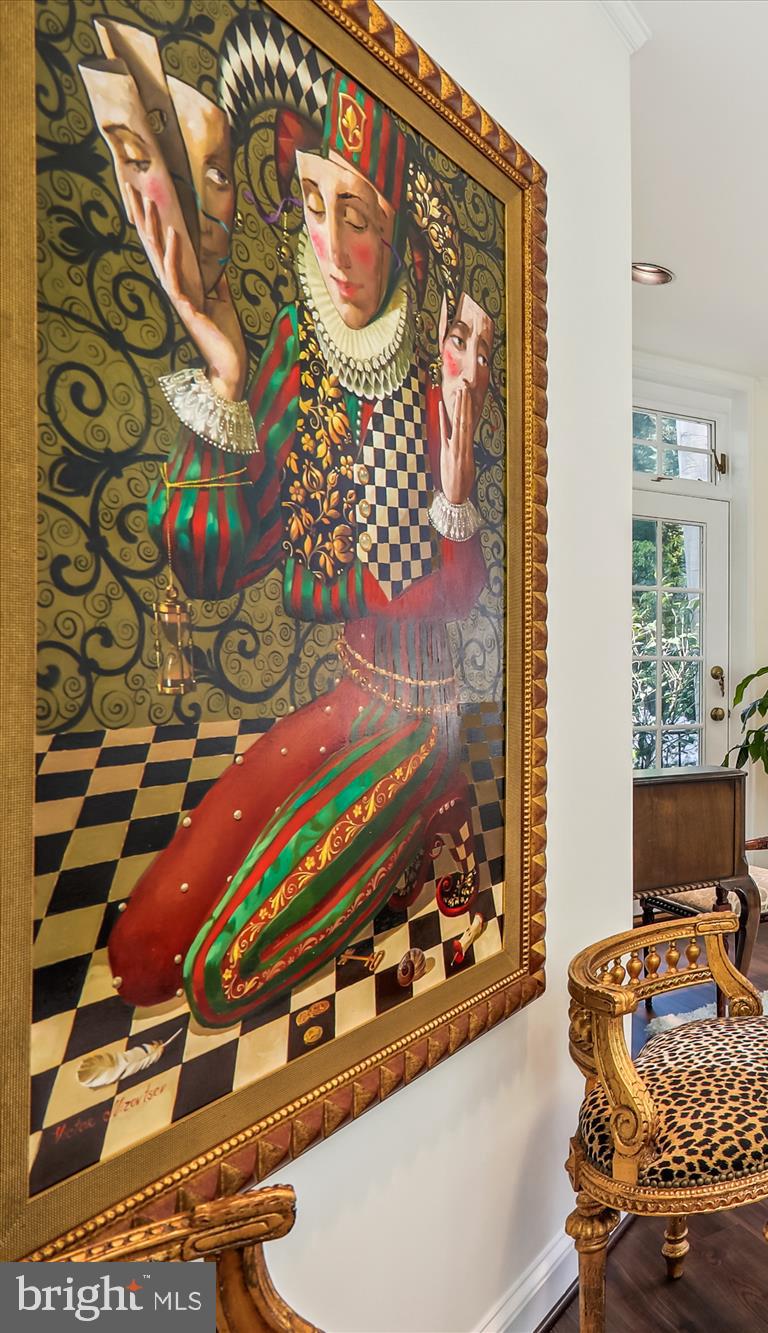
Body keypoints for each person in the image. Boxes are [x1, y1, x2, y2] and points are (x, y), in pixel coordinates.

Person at [101, 58, 496, 1029]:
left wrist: (451, 470)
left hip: (420, 720)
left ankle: (433, 812)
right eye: (313, 205)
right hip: (349, 696)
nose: (329, 243)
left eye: (356, 216)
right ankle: (425, 837)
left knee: (217, 973)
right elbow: (215, 559)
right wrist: (227, 378)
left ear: (396, 229)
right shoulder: (294, 354)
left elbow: (454, 592)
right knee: (140, 953)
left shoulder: (435, 370)